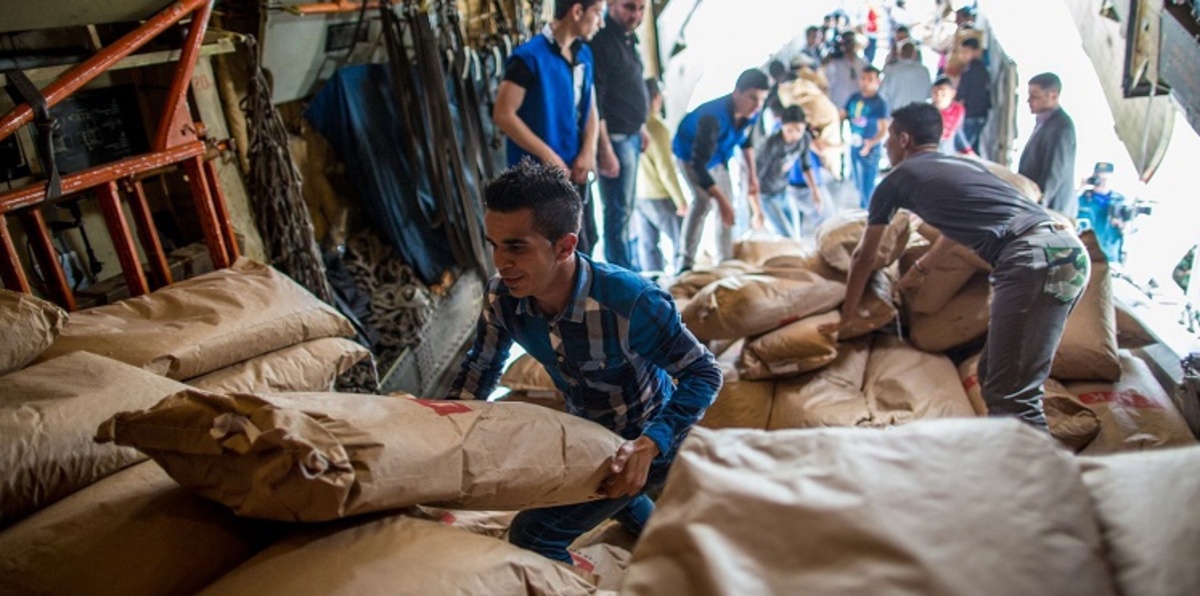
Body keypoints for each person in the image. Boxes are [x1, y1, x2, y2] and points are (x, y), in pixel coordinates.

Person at [448, 159, 722, 563]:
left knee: (532, 533)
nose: (500, 262)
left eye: (516, 247)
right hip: (590, 432)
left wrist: (649, 445)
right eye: (494, 245)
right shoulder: (503, 297)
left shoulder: (630, 303)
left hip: (655, 438)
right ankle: (668, 549)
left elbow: (704, 373)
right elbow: (481, 369)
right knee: (622, 500)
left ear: (565, 246)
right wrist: (446, 433)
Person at [828, 103, 1089, 430]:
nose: (885, 145)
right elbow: (956, 230)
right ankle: (1019, 465)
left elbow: (864, 257)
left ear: (904, 139)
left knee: (1013, 398)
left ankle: (1048, 476)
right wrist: (920, 268)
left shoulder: (897, 180)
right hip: (1069, 253)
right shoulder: (964, 168)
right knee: (994, 378)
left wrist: (848, 316)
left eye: (889, 138)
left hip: (1030, 260)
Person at [493, 0, 604, 255]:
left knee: (587, 241)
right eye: (597, 14)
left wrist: (589, 150)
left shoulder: (584, 55)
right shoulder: (528, 58)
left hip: (574, 172)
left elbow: (590, 107)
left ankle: (582, 296)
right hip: (538, 178)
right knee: (549, 252)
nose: (601, 22)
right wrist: (548, 156)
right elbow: (503, 114)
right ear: (577, 12)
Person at [672, 68, 769, 271]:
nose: (756, 105)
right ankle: (685, 261)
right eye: (752, 98)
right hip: (691, 157)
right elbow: (698, 164)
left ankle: (724, 259)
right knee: (703, 201)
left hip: (718, 158)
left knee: (728, 206)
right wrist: (720, 200)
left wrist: (753, 177)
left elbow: (746, 142)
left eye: (761, 99)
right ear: (737, 93)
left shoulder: (751, 112)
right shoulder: (712, 118)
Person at [592, 0, 649, 270]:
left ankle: (628, 270)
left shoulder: (628, 39)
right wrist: (604, 148)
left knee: (626, 210)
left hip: (631, 135)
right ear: (611, 4)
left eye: (641, 9)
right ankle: (622, 274)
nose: (635, 15)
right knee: (617, 212)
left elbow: (629, 86)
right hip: (614, 140)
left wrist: (641, 126)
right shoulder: (603, 42)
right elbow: (597, 101)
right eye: (629, 7)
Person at [635, 79, 688, 272]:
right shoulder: (657, 127)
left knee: (648, 247)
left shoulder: (635, 126)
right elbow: (666, 169)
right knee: (681, 244)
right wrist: (680, 200)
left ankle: (653, 286)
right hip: (659, 195)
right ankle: (683, 284)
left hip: (639, 196)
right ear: (657, 98)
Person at [756, 106, 822, 239]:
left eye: (798, 130)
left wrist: (815, 192)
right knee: (786, 236)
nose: (794, 135)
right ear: (781, 126)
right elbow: (755, 177)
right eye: (789, 130)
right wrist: (757, 210)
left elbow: (806, 166)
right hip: (766, 196)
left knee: (796, 236)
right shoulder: (770, 145)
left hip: (784, 191)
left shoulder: (804, 139)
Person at [1018, 72, 1077, 216]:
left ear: (1053, 95)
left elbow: (1055, 172)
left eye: (1035, 96)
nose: (1029, 101)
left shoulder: (1061, 127)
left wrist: (1038, 205)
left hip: (1050, 208)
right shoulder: (1045, 123)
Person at [842, 66, 890, 208]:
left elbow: (883, 130)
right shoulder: (854, 97)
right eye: (863, 78)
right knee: (857, 183)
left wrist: (871, 143)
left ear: (877, 82)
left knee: (867, 187)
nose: (866, 82)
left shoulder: (880, 103)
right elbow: (841, 115)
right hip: (854, 144)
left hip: (870, 149)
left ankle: (868, 216)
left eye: (870, 79)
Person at [1076, 162, 1132, 263]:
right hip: (1085, 256)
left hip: (1109, 256)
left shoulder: (1121, 201)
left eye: (1106, 180)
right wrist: (1080, 189)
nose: (1102, 183)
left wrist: (1124, 226)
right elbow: (1065, 211)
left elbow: (1130, 229)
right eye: (1099, 179)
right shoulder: (1082, 199)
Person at [953, 37, 990, 156]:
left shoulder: (972, 70)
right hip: (979, 114)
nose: (962, 55)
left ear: (976, 52)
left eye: (965, 52)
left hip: (971, 115)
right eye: (961, 52)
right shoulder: (980, 68)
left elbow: (961, 94)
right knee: (973, 149)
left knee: (963, 151)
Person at [880, 41, 932, 114]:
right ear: (914, 54)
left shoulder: (891, 70)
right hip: (918, 114)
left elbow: (882, 94)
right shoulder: (924, 71)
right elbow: (929, 94)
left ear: (899, 54)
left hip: (897, 113)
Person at [930, 77, 974, 155]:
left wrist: (968, 150)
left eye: (943, 94)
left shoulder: (958, 110)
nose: (938, 97)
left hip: (948, 149)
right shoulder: (927, 111)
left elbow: (957, 131)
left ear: (952, 93)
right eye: (935, 93)